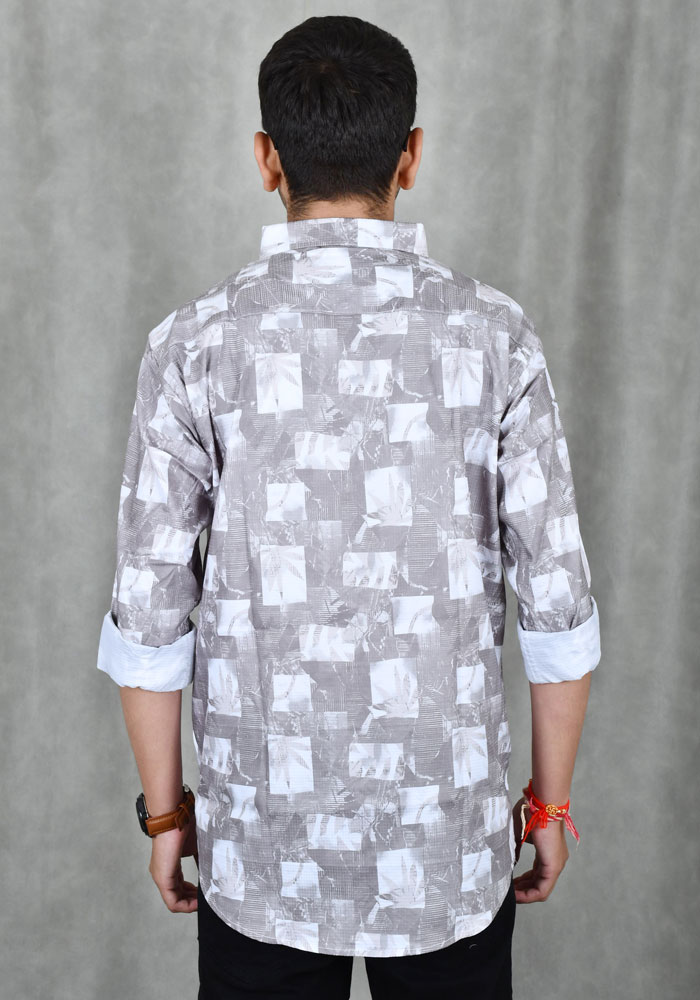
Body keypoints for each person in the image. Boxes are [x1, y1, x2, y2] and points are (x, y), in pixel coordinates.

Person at [96, 14, 601, 1000]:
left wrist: (165, 817)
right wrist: (547, 808)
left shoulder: (192, 345)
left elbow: (150, 614)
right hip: (447, 847)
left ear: (266, 159)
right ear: (410, 156)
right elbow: (557, 606)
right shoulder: (495, 336)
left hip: (262, 847)